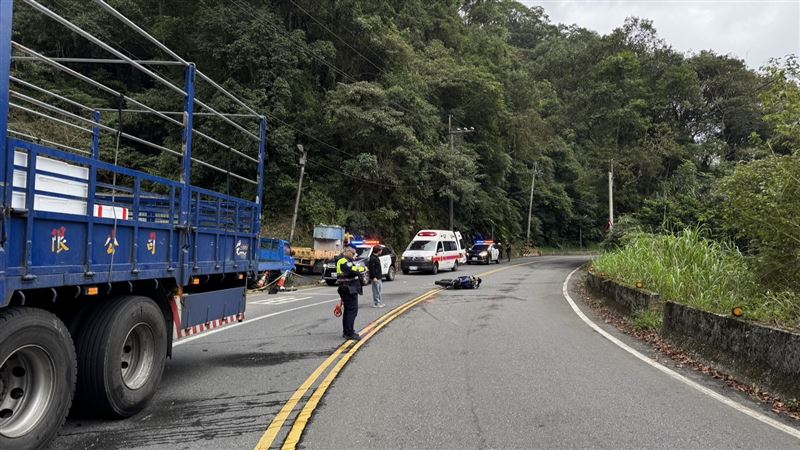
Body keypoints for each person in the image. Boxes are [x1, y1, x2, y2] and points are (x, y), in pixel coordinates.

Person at [336, 246, 366, 340]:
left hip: (348, 288)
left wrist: (359, 268)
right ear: (347, 252)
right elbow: (352, 270)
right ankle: (349, 333)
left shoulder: (346, 261)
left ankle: (347, 331)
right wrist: (362, 269)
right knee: (352, 311)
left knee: (348, 311)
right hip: (348, 288)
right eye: (353, 253)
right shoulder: (343, 261)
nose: (354, 255)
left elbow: (353, 268)